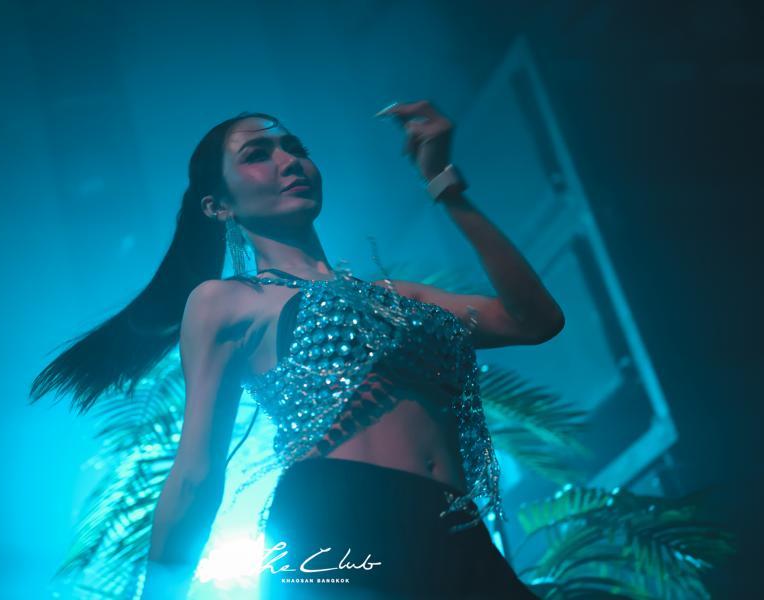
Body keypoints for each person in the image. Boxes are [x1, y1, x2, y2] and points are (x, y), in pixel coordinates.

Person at [31, 101, 564, 599]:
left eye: (296, 148)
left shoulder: (399, 298)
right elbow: (196, 471)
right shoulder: (226, 301)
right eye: (257, 155)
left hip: (456, 529)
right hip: (342, 522)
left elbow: (534, 321)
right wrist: (159, 593)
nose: (289, 161)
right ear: (218, 206)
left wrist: (443, 184)